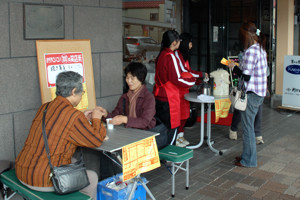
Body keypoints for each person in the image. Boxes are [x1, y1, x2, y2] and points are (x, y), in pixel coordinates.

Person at [15, 71, 107, 199]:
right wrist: (96, 118)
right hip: (43, 180)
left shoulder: (45, 107)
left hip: (23, 169)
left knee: (75, 161)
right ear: (74, 91)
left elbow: (60, 127)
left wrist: (83, 119)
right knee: (92, 177)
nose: (81, 96)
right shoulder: (73, 116)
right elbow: (96, 140)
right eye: (82, 93)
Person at [100, 62, 168, 179]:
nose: (129, 81)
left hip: (146, 135)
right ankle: (111, 182)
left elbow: (145, 121)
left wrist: (125, 119)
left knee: (120, 155)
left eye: (132, 78)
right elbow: (115, 115)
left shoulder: (148, 97)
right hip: (131, 134)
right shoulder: (125, 97)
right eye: (127, 77)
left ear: (141, 78)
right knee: (107, 151)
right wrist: (105, 114)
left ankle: (123, 182)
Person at [228, 22, 268, 167]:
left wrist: (234, 67)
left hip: (251, 94)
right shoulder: (261, 48)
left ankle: (249, 160)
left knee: (247, 128)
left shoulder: (251, 51)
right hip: (259, 93)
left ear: (246, 36)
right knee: (249, 127)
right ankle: (247, 156)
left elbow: (246, 76)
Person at [153, 30, 196, 146]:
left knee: (162, 128)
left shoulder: (161, 55)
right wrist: (192, 82)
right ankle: (168, 155)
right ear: (174, 43)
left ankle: (162, 154)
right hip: (169, 97)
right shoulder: (170, 56)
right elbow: (177, 78)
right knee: (171, 129)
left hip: (159, 95)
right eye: (178, 41)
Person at [175, 32, 209, 147]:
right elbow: (186, 73)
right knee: (179, 115)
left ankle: (180, 136)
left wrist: (198, 79)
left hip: (184, 90)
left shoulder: (183, 56)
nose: (191, 45)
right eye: (190, 42)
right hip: (177, 91)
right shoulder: (177, 56)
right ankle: (176, 137)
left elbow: (188, 73)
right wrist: (200, 75)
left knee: (184, 115)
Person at [229, 51, 264, 145]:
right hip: (245, 88)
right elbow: (244, 75)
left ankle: (257, 135)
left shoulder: (260, 52)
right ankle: (233, 129)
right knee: (239, 109)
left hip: (257, 90)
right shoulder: (244, 54)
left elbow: (265, 73)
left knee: (258, 112)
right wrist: (235, 67)